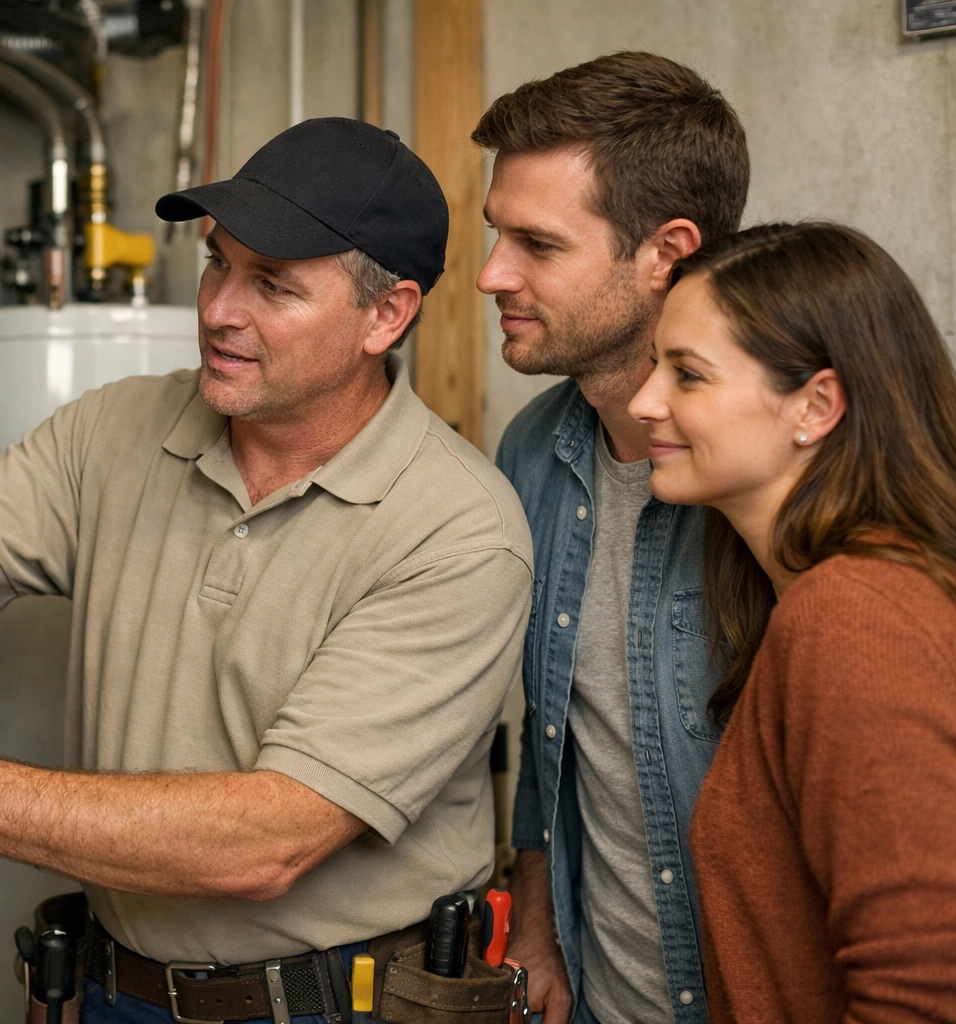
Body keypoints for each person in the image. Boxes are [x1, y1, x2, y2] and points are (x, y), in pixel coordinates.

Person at [0, 118, 534, 1023]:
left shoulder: (457, 532)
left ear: (387, 315)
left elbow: (268, 842)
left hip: (333, 1005)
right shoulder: (117, 430)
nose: (222, 309)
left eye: (274, 286)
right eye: (219, 263)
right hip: (116, 990)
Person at [474, 52, 750, 1024]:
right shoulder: (532, 451)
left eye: (537, 244)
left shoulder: (784, 481)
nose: (489, 274)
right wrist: (539, 926)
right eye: (495, 233)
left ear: (667, 251)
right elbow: (554, 745)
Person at [629, 222, 956, 1023]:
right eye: (653, 365)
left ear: (816, 405)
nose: (645, 402)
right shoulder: (811, 595)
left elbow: (923, 986)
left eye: (689, 375)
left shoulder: (853, 617)